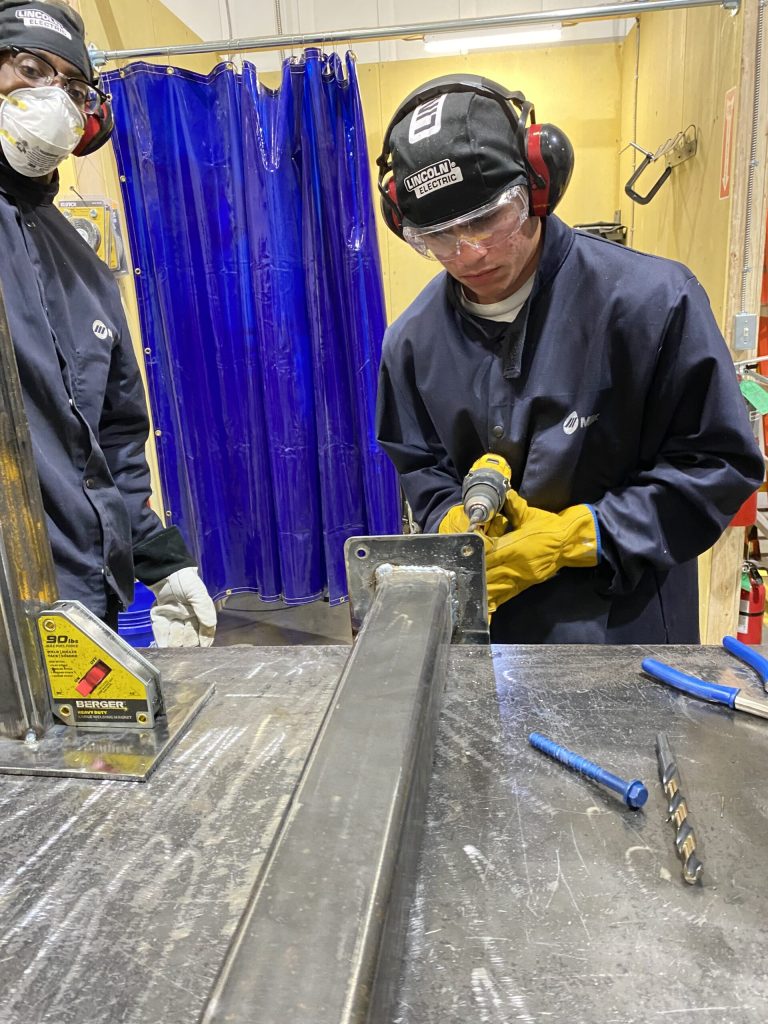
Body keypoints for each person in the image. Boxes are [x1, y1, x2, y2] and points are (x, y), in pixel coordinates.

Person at [375, 73, 764, 644]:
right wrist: (447, 519)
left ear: (538, 185)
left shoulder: (653, 303)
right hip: (487, 634)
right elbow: (422, 469)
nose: (469, 253)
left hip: (626, 636)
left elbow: (719, 466)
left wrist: (585, 534)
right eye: (439, 235)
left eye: (487, 219)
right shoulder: (410, 343)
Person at [0, 0, 216, 647]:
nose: (52, 98)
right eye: (31, 67)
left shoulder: (88, 273)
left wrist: (162, 559)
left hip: (81, 609)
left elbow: (113, 442)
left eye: (71, 86)